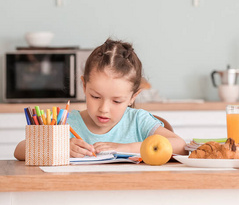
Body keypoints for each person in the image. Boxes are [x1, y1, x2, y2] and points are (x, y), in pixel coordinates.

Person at [14, 39, 187, 160]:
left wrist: (123, 148)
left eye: (117, 101)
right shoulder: (67, 123)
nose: (104, 108)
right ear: (84, 86)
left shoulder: (138, 121)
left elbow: (179, 145)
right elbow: (19, 150)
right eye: (95, 96)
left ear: (133, 97)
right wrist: (62, 147)